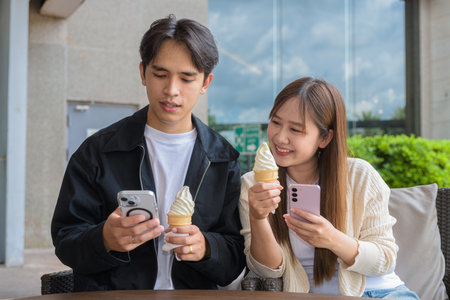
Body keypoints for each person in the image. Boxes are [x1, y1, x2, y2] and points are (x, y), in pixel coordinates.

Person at [51, 15, 245, 291]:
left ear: (206, 83)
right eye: (160, 74)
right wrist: (104, 239)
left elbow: (235, 258)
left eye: (187, 78)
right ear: (143, 73)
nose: (171, 90)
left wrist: (206, 248)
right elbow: (66, 242)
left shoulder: (223, 160)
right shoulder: (98, 152)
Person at [239, 77, 419, 298]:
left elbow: (385, 259)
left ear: (325, 137)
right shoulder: (253, 183)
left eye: (295, 129)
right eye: (275, 122)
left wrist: (332, 239)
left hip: (381, 293)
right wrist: (258, 218)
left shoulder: (360, 175)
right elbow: (265, 270)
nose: (279, 137)